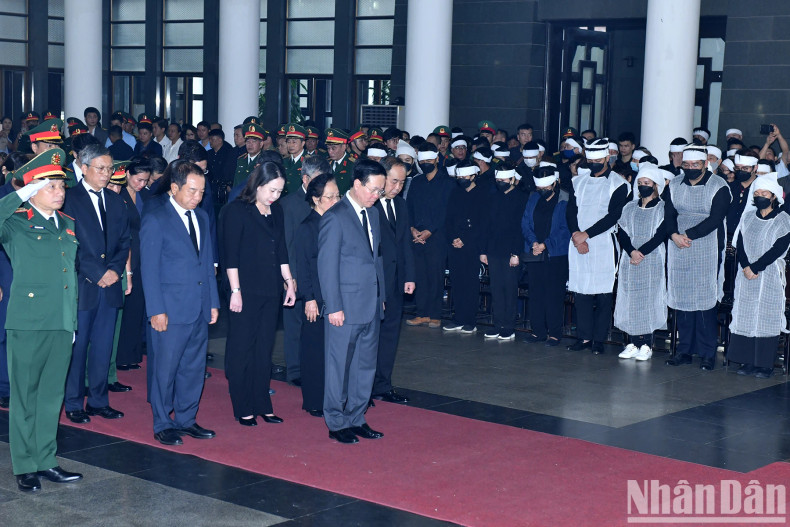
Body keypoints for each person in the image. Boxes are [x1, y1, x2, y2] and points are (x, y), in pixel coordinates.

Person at [0, 149, 83, 491]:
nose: (60, 192)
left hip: (61, 322)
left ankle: (46, 459)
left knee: (51, 395)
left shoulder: (68, 225)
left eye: (61, 185)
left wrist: (72, 322)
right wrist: (20, 190)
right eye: (51, 186)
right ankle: (24, 465)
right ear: (33, 189)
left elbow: (70, 278)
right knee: (25, 395)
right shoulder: (16, 222)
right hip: (28, 321)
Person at [140, 160, 220, 446]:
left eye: (201, 192)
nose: (197, 197)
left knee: (193, 368)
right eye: (192, 191)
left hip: (197, 306)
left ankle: (187, 419)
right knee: (165, 368)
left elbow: (206, 264)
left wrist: (212, 302)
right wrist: (156, 311)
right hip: (170, 310)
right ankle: (162, 422)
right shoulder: (156, 219)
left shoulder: (201, 218)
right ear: (174, 188)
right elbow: (148, 270)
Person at [317, 159, 387, 444]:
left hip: (370, 304)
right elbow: (327, 266)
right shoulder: (335, 217)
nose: (377, 196)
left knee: (364, 367)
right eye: (374, 190)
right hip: (344, 307)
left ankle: (356, 417)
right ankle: (335, 422)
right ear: (357, 184)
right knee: (338, 367)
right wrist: (333, 306)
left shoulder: (373, 214)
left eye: (381, 191)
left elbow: (376, 258)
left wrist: (380, 296)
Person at [222, 162, 295, 426]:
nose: (276, 196)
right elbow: (230, 256)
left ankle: (262, 403)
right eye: (272, 190)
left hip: (270, 288)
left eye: (280, 191)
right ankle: (243, 405)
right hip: (244, 287)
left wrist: (289, 281)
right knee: (243, 347)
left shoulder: (276, 211)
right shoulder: (236, 211)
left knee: (264, 348)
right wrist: (235, 291)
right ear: (258, 184)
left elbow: (282, 249)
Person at [62, 144, 130, 423]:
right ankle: (74, 402)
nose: (106, 174)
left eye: (109, 169)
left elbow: (124, 241)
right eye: (100, 168)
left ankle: (99, 401)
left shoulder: (116, 201)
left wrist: (114, 270)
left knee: (103, 347)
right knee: (78, 349)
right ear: (85, 168)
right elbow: (70, 243)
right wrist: (97, 272)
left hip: (110, 285)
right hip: (83, 285)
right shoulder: (69, 199)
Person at [665, 143, 731, 370]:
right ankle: (684, 350)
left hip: (706, 245)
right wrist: (674, 234)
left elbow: (715, 218)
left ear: (705, 164)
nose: (691, 168)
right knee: (682, 297)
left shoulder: (718, 185)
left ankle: (707, 353)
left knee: (704, 300)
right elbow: (668, 213)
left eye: (696, 164)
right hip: (678, 244)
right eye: (687, 164)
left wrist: (689, 235)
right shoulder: (674, 184)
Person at [566, 138, 629, 354]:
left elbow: (613, 215)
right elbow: (571, 210)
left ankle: (598, 340)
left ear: (606, 158)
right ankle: (583, 337)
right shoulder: (579, 181)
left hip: (602, 242)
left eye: (596, 160)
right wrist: (576, 235)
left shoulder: (619, 184)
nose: (592, 163)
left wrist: (587, 235)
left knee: (603, 293)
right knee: (581, 291)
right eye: (589, 159)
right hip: (577, 241)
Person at [728, 173, 790, 378]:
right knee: (745, 314)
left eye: (765, 193)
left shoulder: (783, 220)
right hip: (746, 273)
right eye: (757, 193)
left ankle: (764, 364)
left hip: (769, 273)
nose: (760, 196)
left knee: (766, 317)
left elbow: (778, 248)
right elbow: (742, 244)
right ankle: (746, 361)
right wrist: (746, 265)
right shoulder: (747, 217)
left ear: (773, 196)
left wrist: (757, 267)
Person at [280, 155, 331, 386]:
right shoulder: (289, 204)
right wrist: (290, 277)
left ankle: (314, 366)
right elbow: (288, 244)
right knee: (294, 325)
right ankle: (295, 370)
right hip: (295, 275)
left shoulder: (329, 202)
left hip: (321, 275)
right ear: (306, 178)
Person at [294, 173, 340, 416]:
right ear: (315, 199)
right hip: (316, 297)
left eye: (337, 196)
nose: (335, 200)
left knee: (334, 351)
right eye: (329, 197)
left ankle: (333, 396)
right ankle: (314, 400)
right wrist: (309, 298)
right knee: (314, 349)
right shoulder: (308, 227)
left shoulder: (337, 222)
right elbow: (303, 266)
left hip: (336, 295)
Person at [371, 158, 415, 403]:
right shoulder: (369, 205)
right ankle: (363, 387)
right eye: (394, 181)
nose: (398, 187)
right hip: (375, 283)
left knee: (389, 336)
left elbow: (405, 244)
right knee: (370, 338)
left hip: (396, 281)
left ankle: (383, 385)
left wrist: (410, 276)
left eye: (402, 182)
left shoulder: (401, 205)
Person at [614, 164, 668, 361]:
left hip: (651, 258)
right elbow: (623, 233)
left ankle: (646, 344)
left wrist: (641, 253)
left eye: (647, 183)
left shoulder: (662, 208)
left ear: (655, 185)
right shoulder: (629, 207)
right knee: (630, 299)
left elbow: (660, 235)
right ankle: (631, 342)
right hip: (630, 259)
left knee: (648, 299)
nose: (642, 186)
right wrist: (631, 252)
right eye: (640, 183)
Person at [406, 143, 454, 328]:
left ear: (436, 159)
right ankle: (421, 313)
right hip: (416, 236)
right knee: (419, 275)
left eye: (428, 160)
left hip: (437, 236)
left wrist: (430, 231)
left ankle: (434, 314)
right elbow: (408, 206)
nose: (425, 163)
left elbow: (447, 211)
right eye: (422, 160)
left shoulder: (447, 182)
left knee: (435, 275)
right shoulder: (417, 181)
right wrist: (411, 228)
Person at [521, 166, 570, 346]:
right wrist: (534, 242)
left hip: (556, 254)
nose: (542, 191)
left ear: (554, 183)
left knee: (553, 295)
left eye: (545, 188)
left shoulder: (564, 199)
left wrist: (546, 244)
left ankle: (555, 333)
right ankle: (538, 331)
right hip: (535, 252)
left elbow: (565, 229)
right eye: (539, 188)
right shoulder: (533, 197)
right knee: (536, 293)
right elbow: (526, 222)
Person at [480, 163, 528, 341]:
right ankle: (497, 324)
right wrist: (483, 250)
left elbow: (520, 228)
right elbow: (486, 225)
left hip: (511, 251)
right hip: (493, 249)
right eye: (498, 179)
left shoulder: (522, 198)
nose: (500, 182)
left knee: (509, 288)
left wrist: (516, 253)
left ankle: (509, 326)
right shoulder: (493, 197)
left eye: (504, 179)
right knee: (496, 288)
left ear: (513, 179)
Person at [442, 159, 487, 334]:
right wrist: (453, 237)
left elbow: (482, 223)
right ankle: (458, 317)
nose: (461, 179)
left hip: (472, 245)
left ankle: (470, 319)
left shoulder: (482, 194)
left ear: (474, 175)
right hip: (454, 244)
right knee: (457, 280)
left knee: (470, 282)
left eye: (465, 175)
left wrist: (465, 239)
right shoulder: (455, 193)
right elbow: (448, 219)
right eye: (459, 176)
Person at [115, 160, 150, 371]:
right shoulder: (118, 195)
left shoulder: (145, 195)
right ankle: (120, 356)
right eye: (139, 179)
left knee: (138, 308)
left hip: (144, 255)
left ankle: (133, 354)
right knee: (126, 310)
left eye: (146, 180)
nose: (142, 184)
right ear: (127, 174)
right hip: (127, 256)